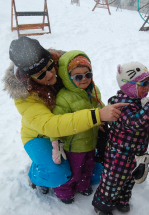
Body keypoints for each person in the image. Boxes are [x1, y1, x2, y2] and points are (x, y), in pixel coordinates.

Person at [3, 37, 128, 195]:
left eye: (50, 66)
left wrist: (101, 113)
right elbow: (50, 125)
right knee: (58, 175)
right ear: (29, 78)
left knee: (97, 173)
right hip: (40, 135)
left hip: (71, 132)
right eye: (40, 75)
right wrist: (96, 116)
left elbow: (86, 92)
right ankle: (35, 173)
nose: (50, 74)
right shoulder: (23, 94)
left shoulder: (64, 66)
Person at [92, 62, 149, 215]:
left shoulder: (137, 101)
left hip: (134, 153)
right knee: (112, 182)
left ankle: (122, 200)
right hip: (119, 154)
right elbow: (136, 123)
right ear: (129, 86)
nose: (147, 87)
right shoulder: (121, 105)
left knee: (129, 179)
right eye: (143, 83)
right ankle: (102, 206)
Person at [50, 50, 104, 204]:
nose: (84, 80)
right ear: (68, 77)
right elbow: (56, 123)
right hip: (73, 145)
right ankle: (64, 192)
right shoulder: (64, 97)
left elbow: (100, 108)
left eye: (88, 75)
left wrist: (104, 118)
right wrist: (56, 143)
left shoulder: (93, 90)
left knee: (88, 167)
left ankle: (82, 186)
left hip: (91, 142)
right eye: (78, 77)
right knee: (72, 171)